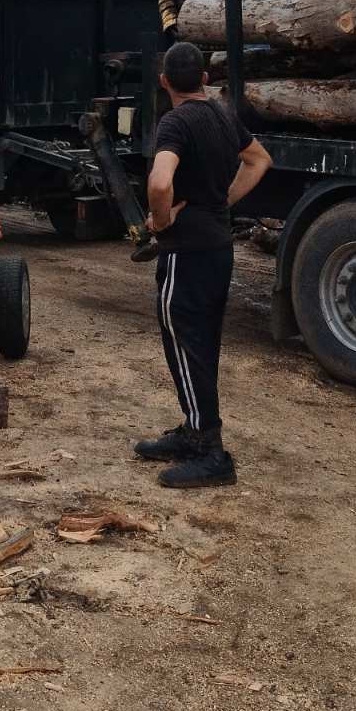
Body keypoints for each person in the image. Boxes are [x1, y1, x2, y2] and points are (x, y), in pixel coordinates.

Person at [136, 41, 272, 488]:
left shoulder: (175, 122)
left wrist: (161, 220)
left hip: (187, 252)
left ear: (164, 82)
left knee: (184, 341)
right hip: (217, 248)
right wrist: (221, 202)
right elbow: (259, 160)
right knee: (201, 344)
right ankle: (194, 430)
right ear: (205, 79)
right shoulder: (221, 114)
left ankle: (212, 453)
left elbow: (160, 182)